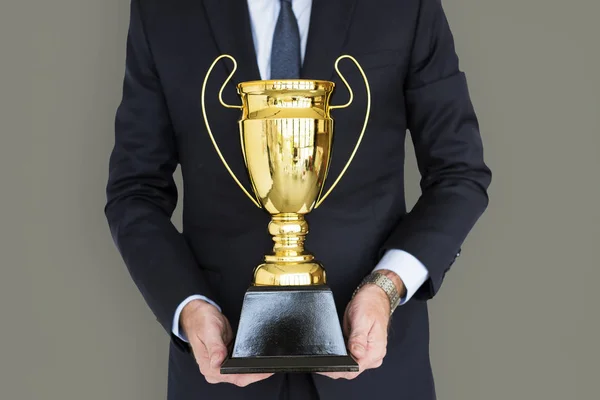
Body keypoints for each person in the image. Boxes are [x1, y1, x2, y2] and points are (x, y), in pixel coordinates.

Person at [105, 0, 491, 399]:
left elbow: (459, 174)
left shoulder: (405, 6)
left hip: (376, 376)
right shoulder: (163, 11)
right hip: (220, 375)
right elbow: (134, 191)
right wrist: (189, 307)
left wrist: (387, 287)